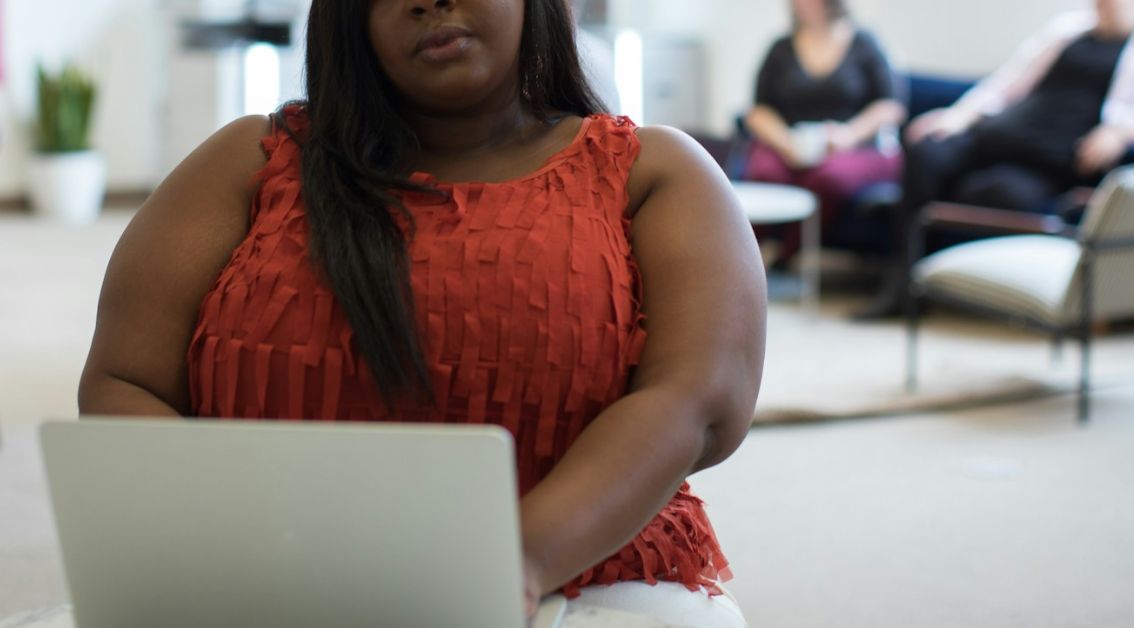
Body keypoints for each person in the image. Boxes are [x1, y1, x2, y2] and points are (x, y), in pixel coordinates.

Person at [77, 0, 766, 626]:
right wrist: (247, 553)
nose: (427, 2)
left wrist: (513, 566)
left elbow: (698, 400)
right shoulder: (249, 161)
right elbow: (124, 380)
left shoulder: (654, 172)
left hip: (579, 584)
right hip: (255, 584)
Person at [861, 0, 1134, 317]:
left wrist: (1128, 130)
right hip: (996, 134)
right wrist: (958, 116)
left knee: (996, 192)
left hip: (1048, 162)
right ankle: (900, 284)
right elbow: (1006, 83)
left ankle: (907, 228)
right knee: (927, 150)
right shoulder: (1069, 30)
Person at [744, 0, 907, 270]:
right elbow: (758, 110)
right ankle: (744, 256)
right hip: (791, 142)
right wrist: (786, 142)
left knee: (827, 179)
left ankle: (783, 256)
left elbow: (890, 106)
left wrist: (849, 135)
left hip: (851, 146)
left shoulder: (866, 43)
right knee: (765, 172)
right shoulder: (780, 48)